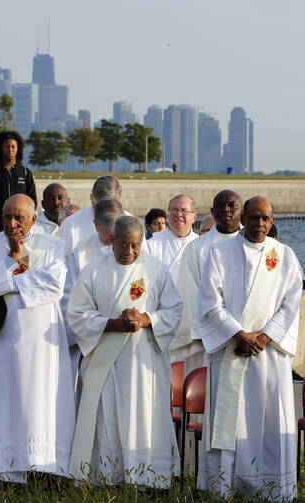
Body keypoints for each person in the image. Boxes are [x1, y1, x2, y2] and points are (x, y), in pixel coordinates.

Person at [196, 196, 301, 501]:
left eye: (265, 219)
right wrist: (238, 334)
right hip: (231, 350)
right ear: (243, 217)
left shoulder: (284, 255)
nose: (258, 224)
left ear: (272, 221)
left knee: (269, 420)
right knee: (230, 421)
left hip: (268, 357)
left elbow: (291, 304)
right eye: (253, 217)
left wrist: (264, 338)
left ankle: (272, 489)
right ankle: (225, 486)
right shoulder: (219, 252)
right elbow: (208, 302)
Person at [66, 216, 182, 487]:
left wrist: (147, 319)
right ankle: (106, 477)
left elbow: (174, 309)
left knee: (145, 416)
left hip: (144, 361)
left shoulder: (156, 269)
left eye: (135, 245)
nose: (129, 252)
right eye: (123, 245)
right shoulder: (93, 270)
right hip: (106, 361)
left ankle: (148, 478)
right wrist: (112, 324)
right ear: (111, 241)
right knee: (108, 417)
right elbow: (77, 315)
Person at [0, 194, 75, 482]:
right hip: (3, 338)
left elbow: (53, 285)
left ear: (32, 219)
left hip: (40, 339)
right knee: (5, 400)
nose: (12, 223)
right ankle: (4, 471)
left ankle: (42, 468)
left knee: (38, 402)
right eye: (6, 217)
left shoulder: (51, 244)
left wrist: (5, 283)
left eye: (19, 218)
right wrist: (11, 260)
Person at [171, 190, 242, 374]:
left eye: (232, 205)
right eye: (221, 206)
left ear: (241, 210)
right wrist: (218, 328)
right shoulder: (195, 248)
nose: (226, 210)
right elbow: (188, 294)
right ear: (212, 211)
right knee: (202, 395)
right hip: (205, 338)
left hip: (246, 337)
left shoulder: (256, 245)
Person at [61, 199, 124, 384]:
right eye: (107, 234)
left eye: (116, 233)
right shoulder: (80, 253)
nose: (112, 239)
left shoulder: (133, 247)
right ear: (95, 226)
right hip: (89, 341)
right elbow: (68, 298)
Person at [0, 131, 37, 232]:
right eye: (6, 147)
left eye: (13, 146)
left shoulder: (25, 173)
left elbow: (32, 200)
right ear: (1, 149)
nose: (10, 150)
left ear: (18, 148)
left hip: (21, 226)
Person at [57, 175, 124, 255]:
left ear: (118, 201)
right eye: (99, 208)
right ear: (91, 198)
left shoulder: (132, 226)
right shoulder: (70, 225)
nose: (103, 213)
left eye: (109, 208)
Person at [146, 195, 198, 283]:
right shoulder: (151, 244)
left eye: (184, 210)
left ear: (194, 217)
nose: (178, 214)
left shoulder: (202, 244)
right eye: (174, 210)